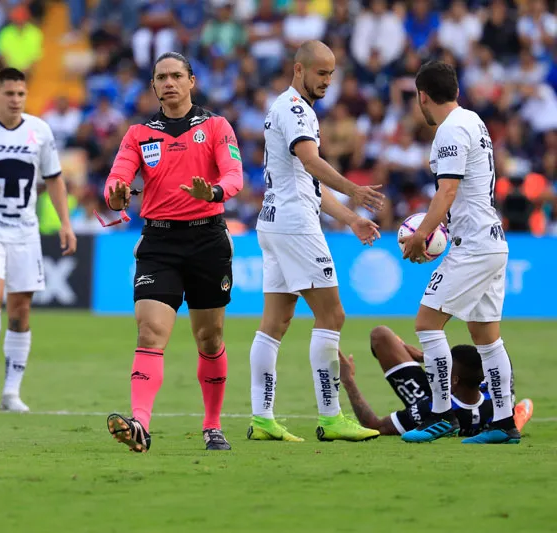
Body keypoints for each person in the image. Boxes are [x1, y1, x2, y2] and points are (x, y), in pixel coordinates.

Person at [247, 40, 385, 443]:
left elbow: (306, 181)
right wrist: (353, 189)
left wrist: (350, 217)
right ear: (298, 69)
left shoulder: (282, 108)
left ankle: (262, 418)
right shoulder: (296, 110)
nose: (327, 81)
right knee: (332, 316)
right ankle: (330, 415)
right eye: (320, 73)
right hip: (295, 226)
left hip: (273, 221)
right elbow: (310, 162)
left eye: (331, 74)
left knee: (275, 322)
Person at [104, 52, 243, 452]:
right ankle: (140, 425)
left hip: (208, 241)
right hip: (159, 243)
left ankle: (213, 425)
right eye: (161, 77)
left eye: (176, 75)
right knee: (150, 333)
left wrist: (214, 191)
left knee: (210, 338)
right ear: (153, 86)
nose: (169, 82)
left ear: (191, 81)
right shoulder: (138, 134)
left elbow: (234, 174)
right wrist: (114, 196)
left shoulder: (216, 126)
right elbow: (117, 180)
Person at [399, 61, 517, 444]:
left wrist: (423, 234)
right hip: (493, 241)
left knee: (427, 323)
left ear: (423, 96)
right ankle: (503, 422)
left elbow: (447, 191)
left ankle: (441, 415)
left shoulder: (449, 131)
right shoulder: (474, 120)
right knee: (487, 337)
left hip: (473, 246)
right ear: (456, 91)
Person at [0, 68, 77, 413]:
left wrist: (65, 224)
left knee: (21, 311)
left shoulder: (40, 131)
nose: (15, 100)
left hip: (25, 229)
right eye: (9, 94)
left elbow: (54, 179)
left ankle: (11, 392)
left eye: (21, 94)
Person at [338, 326, 534, 437]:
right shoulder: (496, 396)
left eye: (444, 369)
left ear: (454, 380)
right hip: (482, 411)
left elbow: (375, 426)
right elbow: (498, 357)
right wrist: (426, 358)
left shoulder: (430, 408)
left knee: (380, 336)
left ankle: (517, 420)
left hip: (433, 399)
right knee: (507, 407)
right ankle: (515, 421)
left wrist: (348, 380)